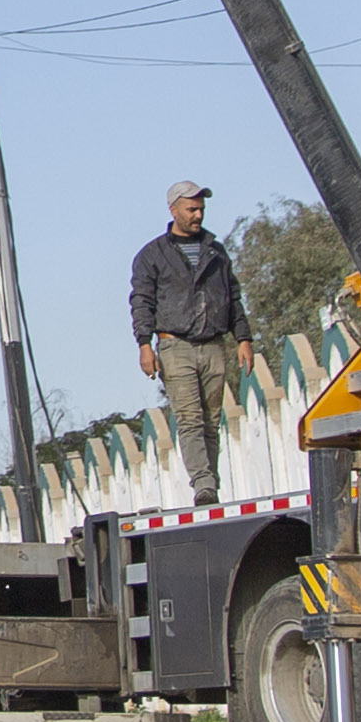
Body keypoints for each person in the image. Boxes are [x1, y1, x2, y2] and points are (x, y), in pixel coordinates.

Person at [130, 181, 247, 505]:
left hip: (213, 345)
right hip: (174, 345)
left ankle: (210, 485)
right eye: (191, 209)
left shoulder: (216, 252)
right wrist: (144, 345)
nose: (197, 215)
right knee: (190, 418)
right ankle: (203, 484)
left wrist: (244, 337)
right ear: (174, 210)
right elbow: (141, 302)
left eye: (201, 210)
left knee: (212, 420)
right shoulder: (152, 256)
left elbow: (233, 296)